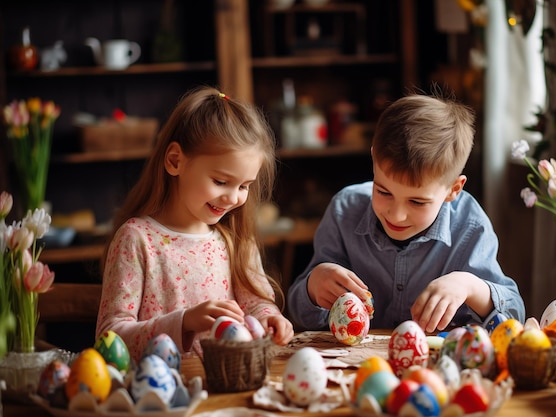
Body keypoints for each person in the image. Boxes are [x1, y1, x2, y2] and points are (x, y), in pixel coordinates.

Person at [287, 91, 525, 333]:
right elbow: (299, 312)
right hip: (356, 365)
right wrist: (313, 287)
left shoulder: (470, 225)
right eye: (383, 192)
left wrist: (470, 287)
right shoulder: (344, 211)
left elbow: (516, 316)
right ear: (374, 161)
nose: (396, 215)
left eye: (417, 202)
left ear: (453, 189)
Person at [96, 86, 294, 360]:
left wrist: (270, 318)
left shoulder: (235, 240)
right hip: (162, 396)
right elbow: (109, 339)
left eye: (244, 186)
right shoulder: (137, 239)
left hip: (227, 389)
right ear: (175, 161)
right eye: (221, 182)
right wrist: (185, 321)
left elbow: (256, 304)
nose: (233, 198)